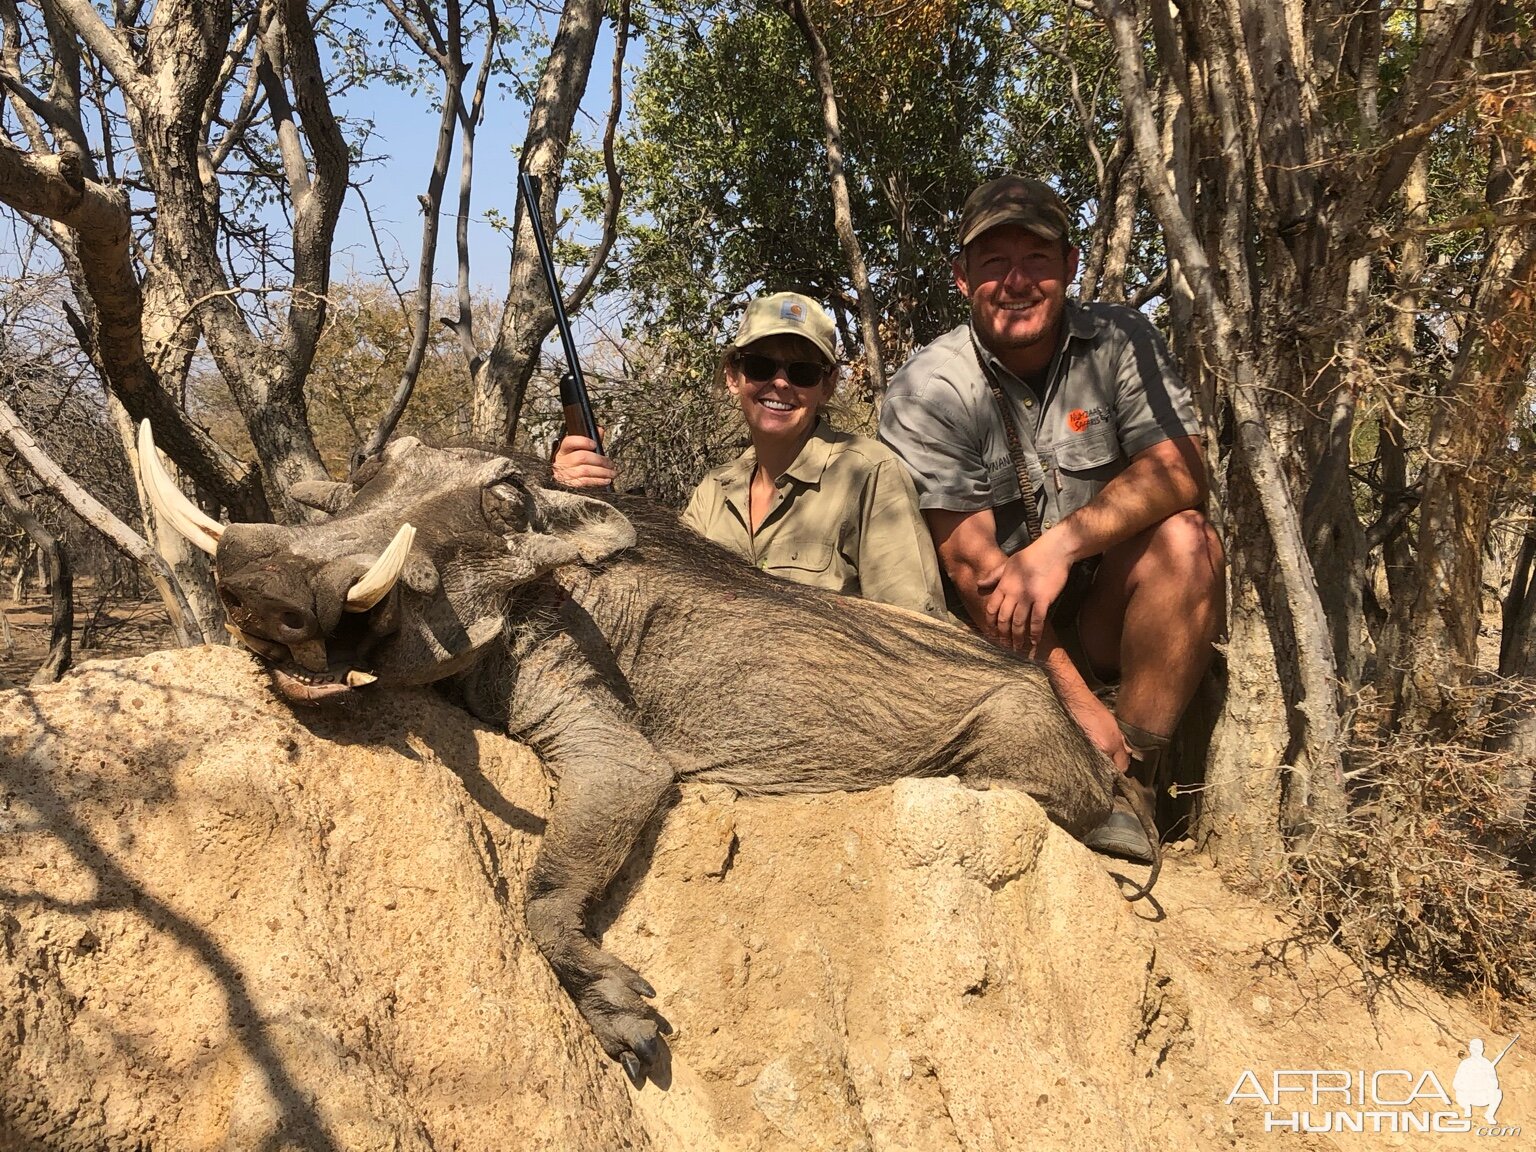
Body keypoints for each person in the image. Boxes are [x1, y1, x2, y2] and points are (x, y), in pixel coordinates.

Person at [878, 175, 1225, 862]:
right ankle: (1093, 756)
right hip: (997, 640)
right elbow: (976, 574)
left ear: (1070, 266)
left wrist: (1057, 548)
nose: (1016, 281)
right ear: (961, 276)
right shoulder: (930, 385)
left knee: (1190, 541)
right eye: (993, 262)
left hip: (1097, 610)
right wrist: (1080, 708)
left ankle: (1137, 785)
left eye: (1037, 259)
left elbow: (1184, 468)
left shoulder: (1122, 339)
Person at [554, 291, 946, 619]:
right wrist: (575, 500)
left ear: (826, 386)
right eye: (760, 366)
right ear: (733, 376)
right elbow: (659, 597)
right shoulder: (712, 492)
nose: (780, 382)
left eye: (802, 372)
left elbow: (915, 629)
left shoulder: (869, 473)